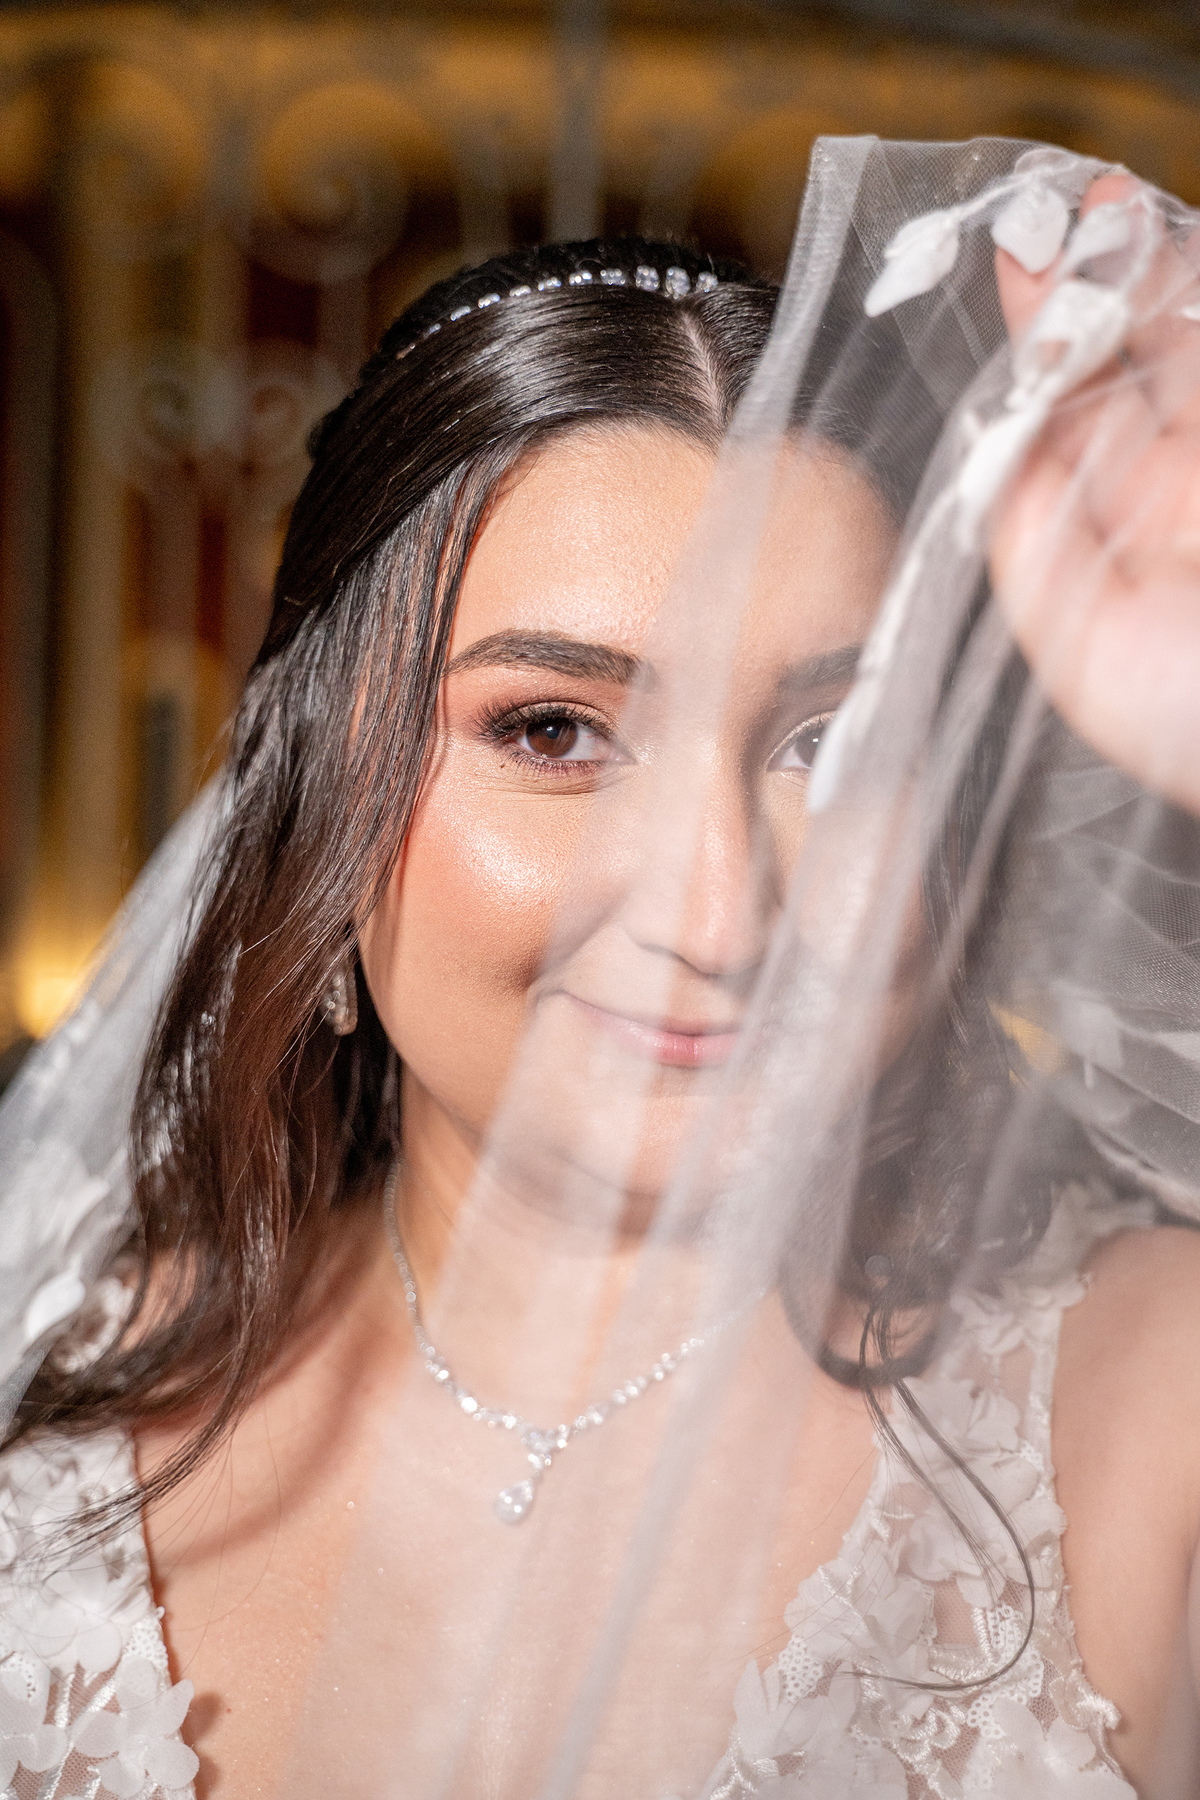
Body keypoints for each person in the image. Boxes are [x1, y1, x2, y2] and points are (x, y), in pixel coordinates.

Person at [0, 136, 1198, 1800]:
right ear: (324, 801)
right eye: (555, 731)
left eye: (838, 745)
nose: (717, 914)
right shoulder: (35, 1398)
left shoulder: (1153, 1405)